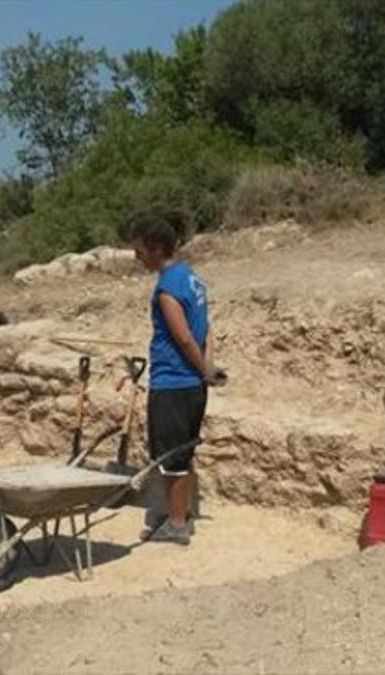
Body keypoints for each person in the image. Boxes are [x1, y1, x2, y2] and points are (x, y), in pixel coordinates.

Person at [131, 211, 214, 546]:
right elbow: (206, 331)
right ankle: (184, 513)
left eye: (139, 251)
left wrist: (202, 368)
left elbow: (182, 337)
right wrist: (206, 369)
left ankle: (176, 523)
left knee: (171, 459)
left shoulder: (167, 288)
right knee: (184, 451)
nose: (137, 258)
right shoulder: (193, 280)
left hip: (173, 383)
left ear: (154, 248)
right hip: (193, 385)